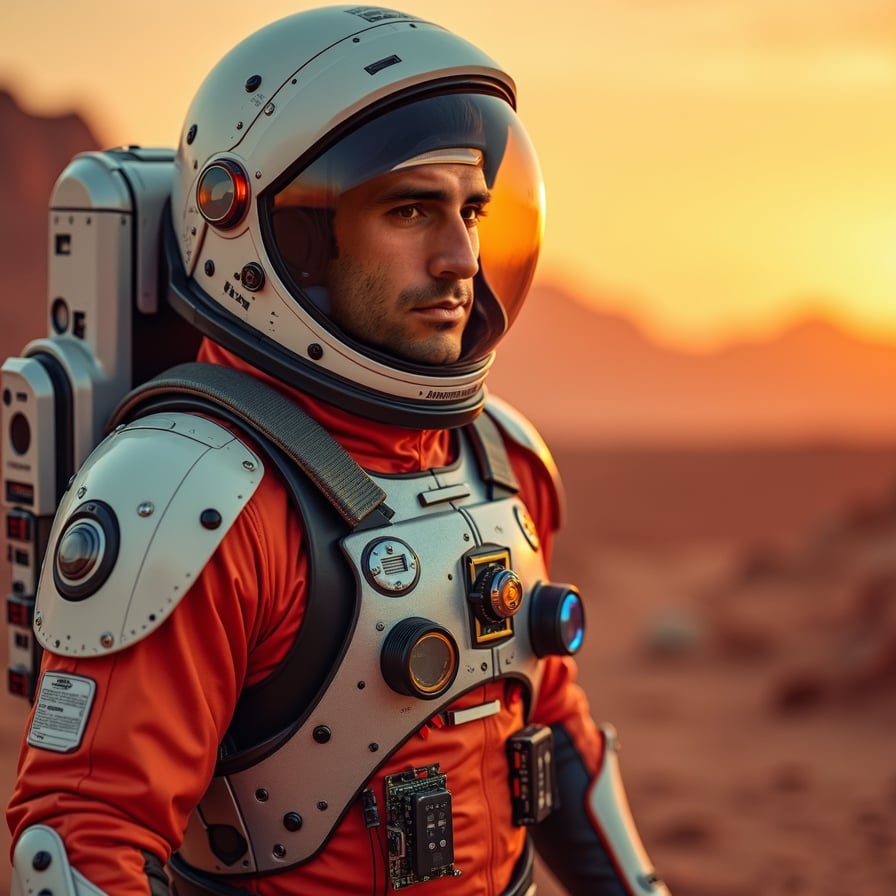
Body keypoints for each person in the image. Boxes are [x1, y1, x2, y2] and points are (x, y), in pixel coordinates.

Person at [7, 6, 671, 895]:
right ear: (292, 234)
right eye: (410, 209)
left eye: (471, 210)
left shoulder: (495, 458)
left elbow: (552, 727)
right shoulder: (194, 498)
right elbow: (85, 839)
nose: (460, 258)